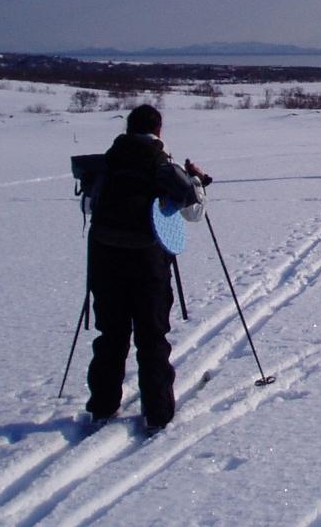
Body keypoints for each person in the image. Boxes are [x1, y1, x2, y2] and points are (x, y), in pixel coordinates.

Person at [85, 104, 209, 433]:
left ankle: (102, 405)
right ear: (159, 131)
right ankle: (157, 413)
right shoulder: (161, 165)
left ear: (128, 128)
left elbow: (88, 205)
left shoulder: (107, 163)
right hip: (148, 265)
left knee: (110, 335)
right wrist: (197, 182)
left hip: (104, 260)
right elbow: (193, 213)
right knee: (151, 338)